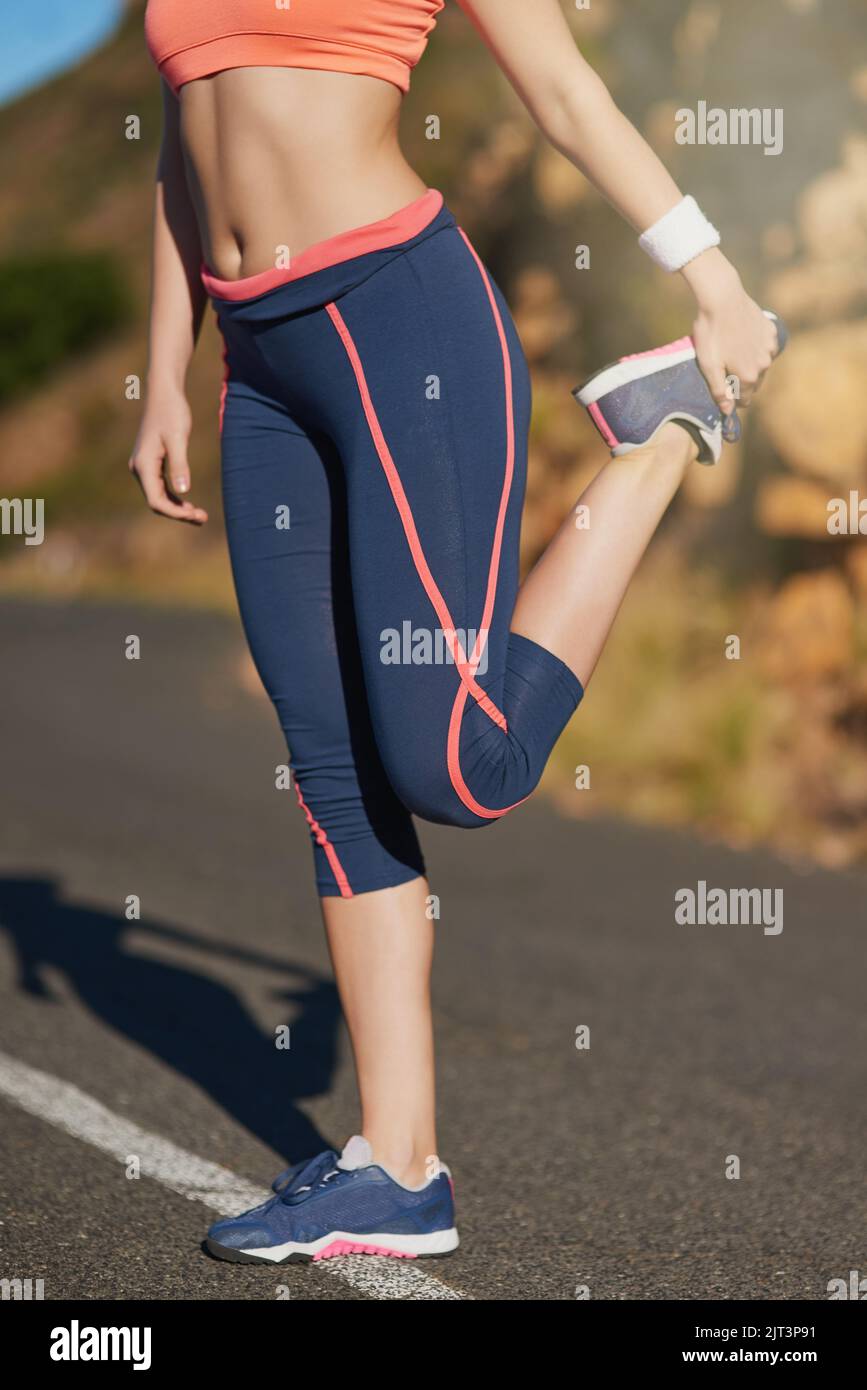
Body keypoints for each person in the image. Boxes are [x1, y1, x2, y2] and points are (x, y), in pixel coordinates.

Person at [132, 0, 781, 1266]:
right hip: (258, 363)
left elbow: (565, 90)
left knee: (457, 765)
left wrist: (714, 277)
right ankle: (400, 1168)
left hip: (395, 315)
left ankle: (659, 437)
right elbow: (181, 136)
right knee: (329, 767)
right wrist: (166, 363)